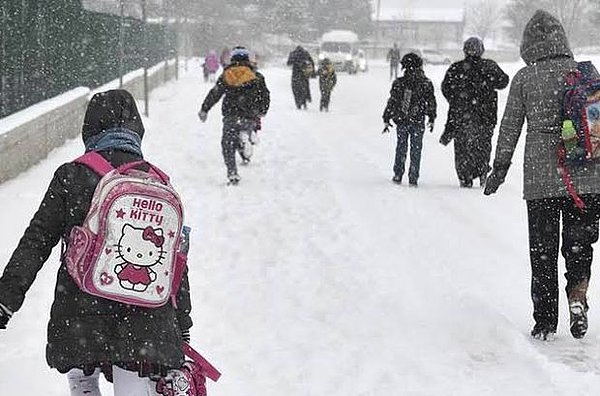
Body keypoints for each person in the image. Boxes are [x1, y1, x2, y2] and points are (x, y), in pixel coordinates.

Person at [0, 89, 193, 395]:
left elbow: (37, 240)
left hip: (81, 311)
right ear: (136, 131)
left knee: (81, 373)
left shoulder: (72, 176)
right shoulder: (156, 182)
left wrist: (6, 299)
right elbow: (175, 260)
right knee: (134, 381)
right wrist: (182, 322)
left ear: (90, 129)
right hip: (145, 321)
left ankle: (83, 385)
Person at [484, 10, 600, 341]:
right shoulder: (583, 74)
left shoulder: (525, 78)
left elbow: (509, 128)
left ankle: (545, 321)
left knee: (543, 252)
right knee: (579, 245)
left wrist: (499, 170)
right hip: (587, 177)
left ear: (528, 44)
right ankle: (577, 297)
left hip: (541, 181)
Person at [440, 37, 509, 188]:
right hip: (486, 115)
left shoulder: (456, 68)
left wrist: (456, 100)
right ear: (481, 50)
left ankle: (465, 176)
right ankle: (482, 169)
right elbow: (503, 81)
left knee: (462, 147)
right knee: (483, 145)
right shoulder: (489, 66)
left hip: (461, 115)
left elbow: (445, 88)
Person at [198, 46, 270, 185]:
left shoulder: (226, 74)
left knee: (228, 144)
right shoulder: (257, 76)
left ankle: (232, 173)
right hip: (249, 115)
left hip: (231, 115)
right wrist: (262, 110)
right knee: (243, 132)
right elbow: (265, 96)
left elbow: (215, 93)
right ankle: (246, 140)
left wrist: (204, 109)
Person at [383, 53, 436, 186]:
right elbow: (431, 102)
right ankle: (413, 176)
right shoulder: (426, 83)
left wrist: (387, 116)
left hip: (402, 120)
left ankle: (398, 173)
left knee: (401, 146)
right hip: (418, 120)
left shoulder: (399, 83)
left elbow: (392, 101)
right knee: (416, 149)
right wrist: (431, 117)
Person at [287, 45, 315, 110]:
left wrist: (295, 61)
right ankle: (304, 101)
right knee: (304, 88)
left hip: (295, 74)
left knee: (296, 89)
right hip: (304, 74)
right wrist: (313, 72)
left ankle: (298, 104)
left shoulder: (293, 53)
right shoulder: (306, 53)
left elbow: (288, 63)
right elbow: (311, 62)